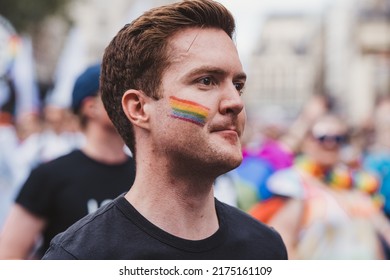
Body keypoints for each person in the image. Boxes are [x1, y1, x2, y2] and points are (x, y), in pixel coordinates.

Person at [42, 0, 287, 260]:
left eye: (237, 85)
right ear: (138, 108)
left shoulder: (265, 248)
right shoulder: (78, 258)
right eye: (206, 81)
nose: (235, 102)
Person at [0, 64, 136, 259]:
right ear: (91, 107)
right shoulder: (50, 175)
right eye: (118, 90)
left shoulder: (145, 174)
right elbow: (9, 256)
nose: (130, 98)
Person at [255, 113, 390, 259]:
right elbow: (282, 240)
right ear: (307, 141)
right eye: (323, 137)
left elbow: (380, 228)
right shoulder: (291, 182)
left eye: (338, 138)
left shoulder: (353, 181)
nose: (331, 144)